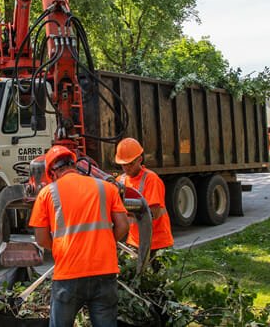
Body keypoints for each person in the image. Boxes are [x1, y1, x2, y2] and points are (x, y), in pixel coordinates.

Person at [29, 146, 129, 327]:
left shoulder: (47, 194)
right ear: (75, 165)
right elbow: (123, 225)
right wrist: (105, 242)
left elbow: (41, 239)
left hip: (69, 274)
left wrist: (62, 248)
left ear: (52, 172)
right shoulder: (106, 187)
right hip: (104, 271)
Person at [115, 138, 174, 257]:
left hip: (157, 243)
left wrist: (123, 211)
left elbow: (153, 213)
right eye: (123, 165)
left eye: (130, 164)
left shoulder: (151, 180)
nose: (127, 168)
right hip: (135, 242)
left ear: (140, 160)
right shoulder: (120, 181)